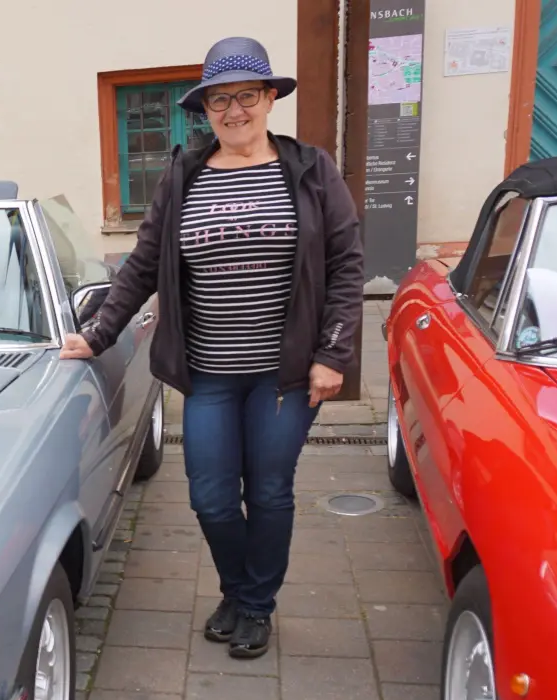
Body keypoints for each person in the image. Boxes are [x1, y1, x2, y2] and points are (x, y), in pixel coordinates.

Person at [60, 37, 364, 659]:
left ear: (270, 98)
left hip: (283, 375)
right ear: (206, 110)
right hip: (208, 373)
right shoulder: (183, 175)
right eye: (218, 101)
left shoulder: (310, 170)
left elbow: (345, 266)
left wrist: (334, 354)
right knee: (211, 495)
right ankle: (236, 588)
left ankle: (256, 605)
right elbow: (143, 264)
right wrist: (97, 335)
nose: (233, 111)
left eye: (245, 96)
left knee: (271, 490)